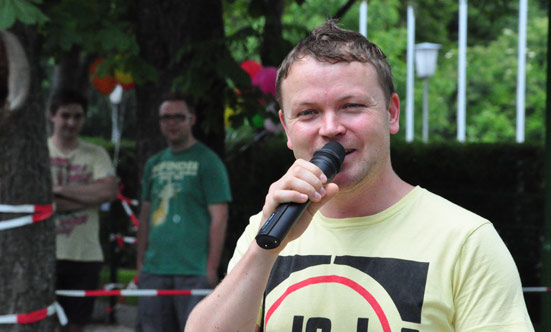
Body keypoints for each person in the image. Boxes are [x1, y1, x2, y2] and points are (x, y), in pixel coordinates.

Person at [185, 20, 534, 332]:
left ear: (391, 113)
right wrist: (266, 247)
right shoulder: (264, 231)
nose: (331, 128)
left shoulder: (466, 241)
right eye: (308, 112)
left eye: (352, 106)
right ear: (287, 130)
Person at [136, 93, 232, 331]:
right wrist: (140, 263)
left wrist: (211, 268)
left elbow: (219, 217)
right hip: (154, 270)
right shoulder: (154, 164)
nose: (172, 123)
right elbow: (145, 216)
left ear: (192, 119)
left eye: (179, 117)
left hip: (194, 270)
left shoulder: (208, 161)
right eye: (166, 117)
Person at [48, 89, 118, 332]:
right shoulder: (40, 151)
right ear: (52, 116)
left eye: (78, 116)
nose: (71, 122)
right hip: (46, 253)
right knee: (42, 322)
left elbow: (108, 192)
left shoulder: (96, 154)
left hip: (85, 255)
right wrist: (88, 197)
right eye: (65, 115)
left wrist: (58, 190)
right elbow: (40, 201)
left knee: (76, 326)